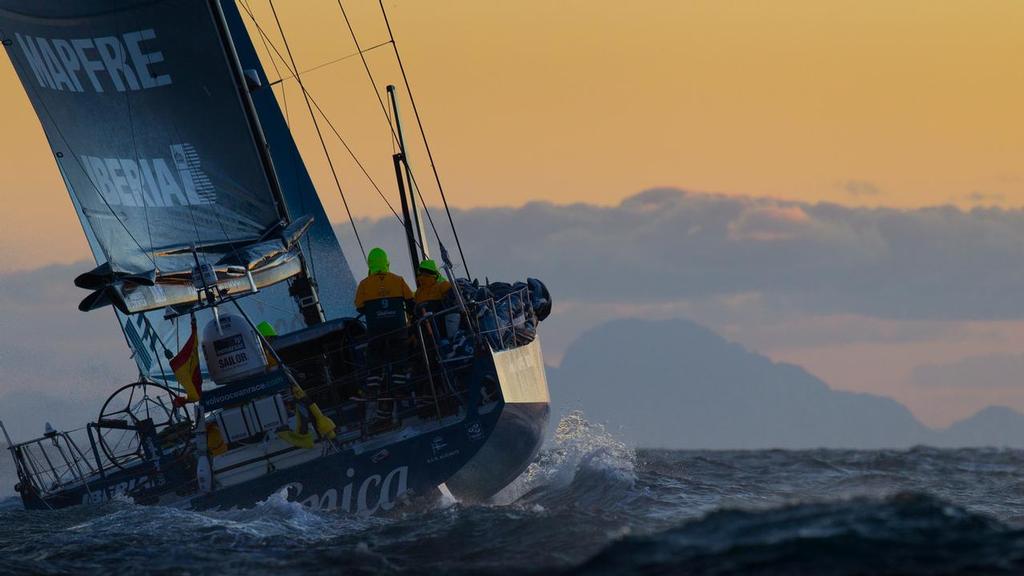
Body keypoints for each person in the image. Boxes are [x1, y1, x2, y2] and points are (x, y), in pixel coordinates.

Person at [354, 247, 414, 430]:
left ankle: (373, 388)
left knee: (374, 361)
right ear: (387, 263)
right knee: (399, 360)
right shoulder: (399, 280)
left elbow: (359, 307)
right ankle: (400, 388)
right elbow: (411, 302)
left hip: (376, 333)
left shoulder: (364, 284)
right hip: (399, 332)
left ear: (370, 264)